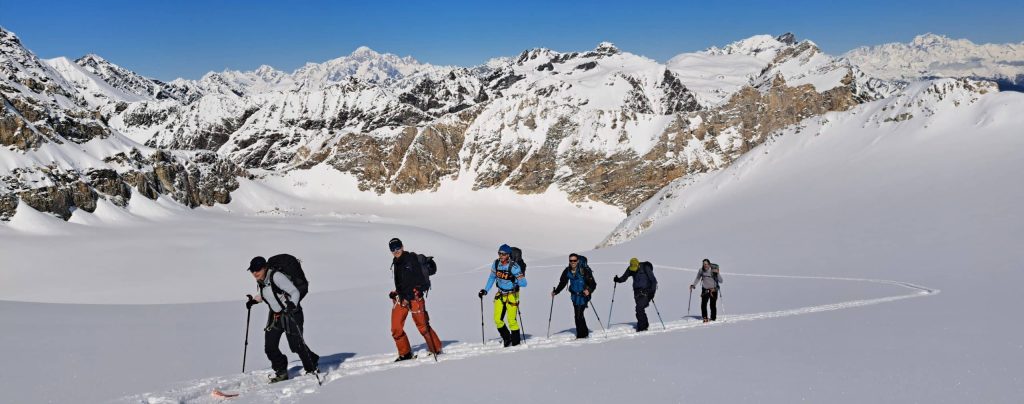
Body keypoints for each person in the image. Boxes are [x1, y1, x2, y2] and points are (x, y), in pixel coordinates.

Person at [245, 255, 319, 383]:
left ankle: (311, 367)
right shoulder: (262, 280)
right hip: (275, 316)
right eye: (252, 270)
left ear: (265, 267)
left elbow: (294, 292)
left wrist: (292, 304)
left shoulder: (276, 276)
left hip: (291, 313)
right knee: (270, 347)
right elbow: (268, 293)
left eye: (257, 269)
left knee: (296, 345)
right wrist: (254, 300)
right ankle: (281, 372)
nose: (255, 272)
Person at [388, 238, 443, 361]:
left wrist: (410, 295)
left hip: (414, 298)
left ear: (402, 246)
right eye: (393, 249)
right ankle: (405, 353)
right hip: (402, 298)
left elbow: (417, 280)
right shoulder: (396, 262)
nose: (396, 251)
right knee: (396, 327)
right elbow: (403, 282)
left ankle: (436, 349)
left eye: (397, 248)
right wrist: (396, 292)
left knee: (423, 326)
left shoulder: (411, 259)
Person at [478, 244, 528, 347]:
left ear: (508, 255)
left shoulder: (514, 267)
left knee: (511, 321)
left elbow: (524, 283)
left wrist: (515, 279)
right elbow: (492, 277)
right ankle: (507, 338)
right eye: (499, 253)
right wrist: (485, 290)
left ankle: (516, 343)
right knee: (497, 319)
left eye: (503, 254)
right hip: (500, 294)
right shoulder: (496, 264)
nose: (501, 256)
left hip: (512, 295)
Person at [552, 253, 597, 339]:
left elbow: (593, 284)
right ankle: (585, 332)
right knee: (579, 315)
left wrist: (589, 290)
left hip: (584, 295)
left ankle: (581, 335)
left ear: (578, 261)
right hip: (574, 296)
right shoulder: (567, 270)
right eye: (571, 260)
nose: (572, 262)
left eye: (574, 260)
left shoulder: (584, 270)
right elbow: (562, 282)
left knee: (578, 315)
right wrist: (556, 291)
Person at [613, 257, 657, 332]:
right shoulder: (630, 268)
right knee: (640, 309)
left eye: (635, 268)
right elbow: (624, 277)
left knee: (639, 308)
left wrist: (652, 293)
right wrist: (618, 280)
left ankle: (642, 328)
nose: (634, 270)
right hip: (636, 292)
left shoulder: (645, 268)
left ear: (638, 264)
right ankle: (644, 324)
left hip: (646, 291)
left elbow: (654, 281)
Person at [690, 258, 723, 323]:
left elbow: (721, 281)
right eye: (704, 264)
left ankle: (713, 318)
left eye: (706, 264)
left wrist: (718, 273)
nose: (705, 265)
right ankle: (705, 317)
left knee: (712, 304)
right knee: (703, 304)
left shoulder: (713, 270)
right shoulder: (701, 270)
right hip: (705, 289)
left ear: (709, 264)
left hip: (713, 290)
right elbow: (698, 278)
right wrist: (693, 285)